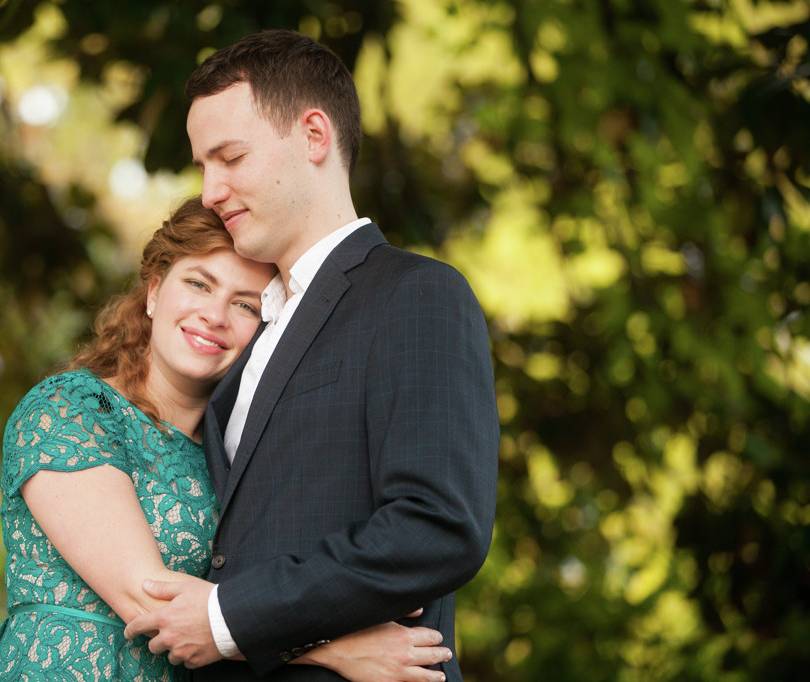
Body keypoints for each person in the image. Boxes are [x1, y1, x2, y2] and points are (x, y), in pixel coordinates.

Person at [126, 30, 500, 680]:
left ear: (314, 137)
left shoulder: (416, 295)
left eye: (230, 157)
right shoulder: (248, 334)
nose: (210, 190)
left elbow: (438, 525)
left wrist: (228, 617)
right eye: (202, 166)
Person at [0, 196, 454, 681]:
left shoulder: (236, 455)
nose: (215, 315)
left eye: (244, 304)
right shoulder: (73, 407)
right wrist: (336, 649)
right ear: (154, 292)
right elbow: (149, 599)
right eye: (198, 284)